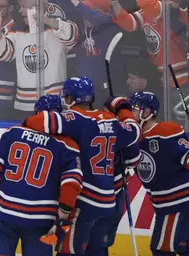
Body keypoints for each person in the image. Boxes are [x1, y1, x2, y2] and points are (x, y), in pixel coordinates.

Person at [22, 77, 142, 255]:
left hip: (85, 201)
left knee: (69, 250)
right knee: (97, 250)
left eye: (67, 97)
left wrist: (23, 127)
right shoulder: (110, 119)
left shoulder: (75, 118)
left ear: (71, 99)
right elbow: (135, 132)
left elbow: (37, 121)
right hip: (109, 202)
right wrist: (122, 107)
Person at [0, 94, 83, 255]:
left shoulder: (13, 133)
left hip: (4, 212)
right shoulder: (69, 146)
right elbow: (72, 184)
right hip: (41, 219)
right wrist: (62, 220)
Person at [0, 0, 78, 113]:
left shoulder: (56, 28)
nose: (19, 11)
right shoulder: (17, 30)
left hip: (55, 103)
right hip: (25, 104)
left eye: (23, 7)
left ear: (36, 8)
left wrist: (45, 20)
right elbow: (3, 54)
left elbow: (71, 35)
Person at [129, 92, 189, 255]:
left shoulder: (165, 132)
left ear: (147, 112)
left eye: (134, 108)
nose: (129, 113)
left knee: (162, 250)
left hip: (178, 203)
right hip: (167, 205)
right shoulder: (134, 139)